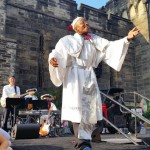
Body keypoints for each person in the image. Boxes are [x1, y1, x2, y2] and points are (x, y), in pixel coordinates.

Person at [48, 17, 140, 150]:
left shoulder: (94, 40)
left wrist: (127, 38)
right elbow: (56, 53)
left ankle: (83, 143)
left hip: (89, 77)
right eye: (82, 23)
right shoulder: (67, 41)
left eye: (87, 22)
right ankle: (82, 144)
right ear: (75, 27)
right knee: (77, 112)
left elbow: (110, 47)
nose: (86, 24)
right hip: (75, 78)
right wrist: (53, 60)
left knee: (89, 112)